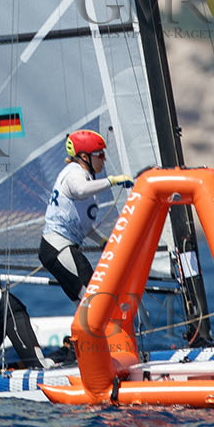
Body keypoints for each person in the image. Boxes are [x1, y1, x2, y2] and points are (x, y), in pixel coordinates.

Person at [38, 129, 133, 303]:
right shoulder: (74, 173)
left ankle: (85, 331)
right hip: (58, 248)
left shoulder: (86, 176)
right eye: (99, 154)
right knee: (95, 300)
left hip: (61, 248)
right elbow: (80, 190)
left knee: (86, 305)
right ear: (83, 157)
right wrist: (112, 181)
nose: (103, 158)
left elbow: (83, 226)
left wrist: (103, 241)